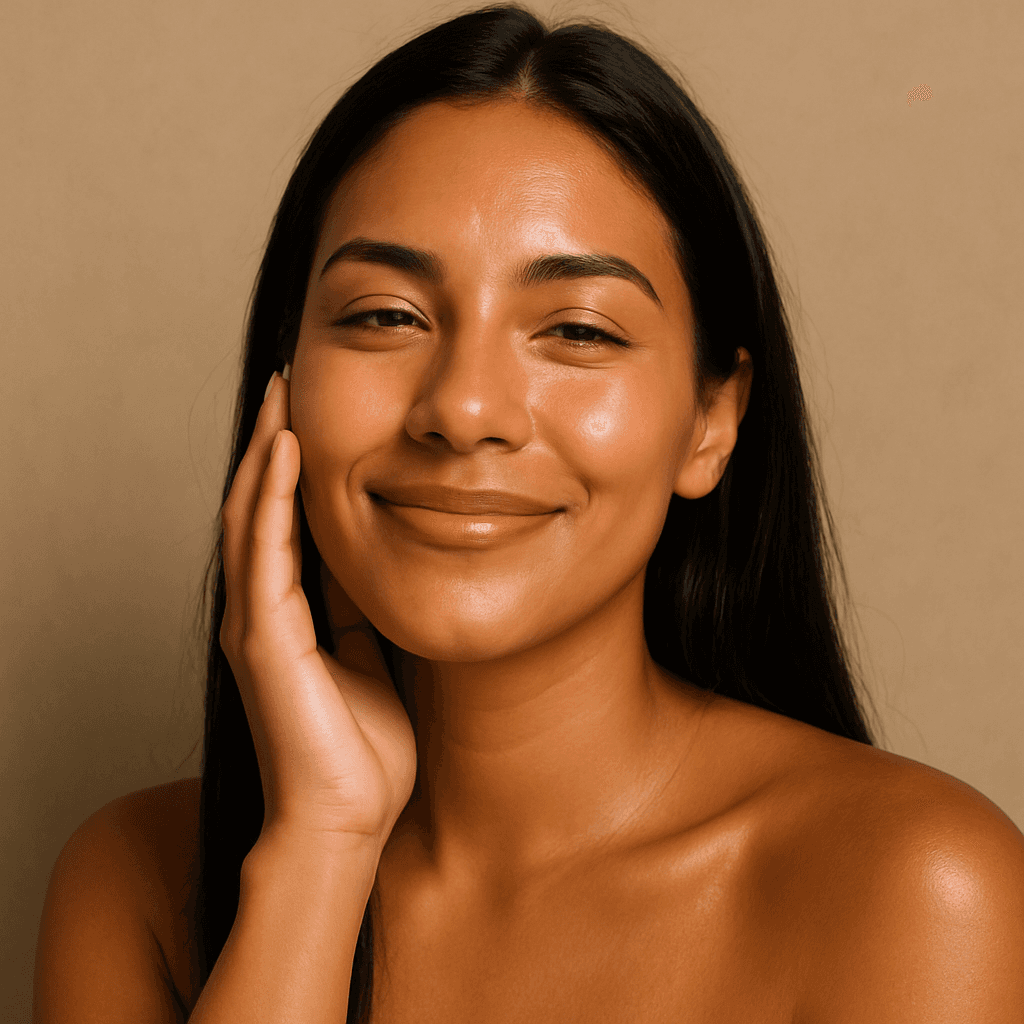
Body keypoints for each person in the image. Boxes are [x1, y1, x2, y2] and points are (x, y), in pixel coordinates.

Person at [33, 5, 1024, 1022]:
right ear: (286, 374)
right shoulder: (135, 883)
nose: (464, 409)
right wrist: (320, 845)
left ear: (711, 420)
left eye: (578, 331)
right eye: (386, 315)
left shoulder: (915, 891)